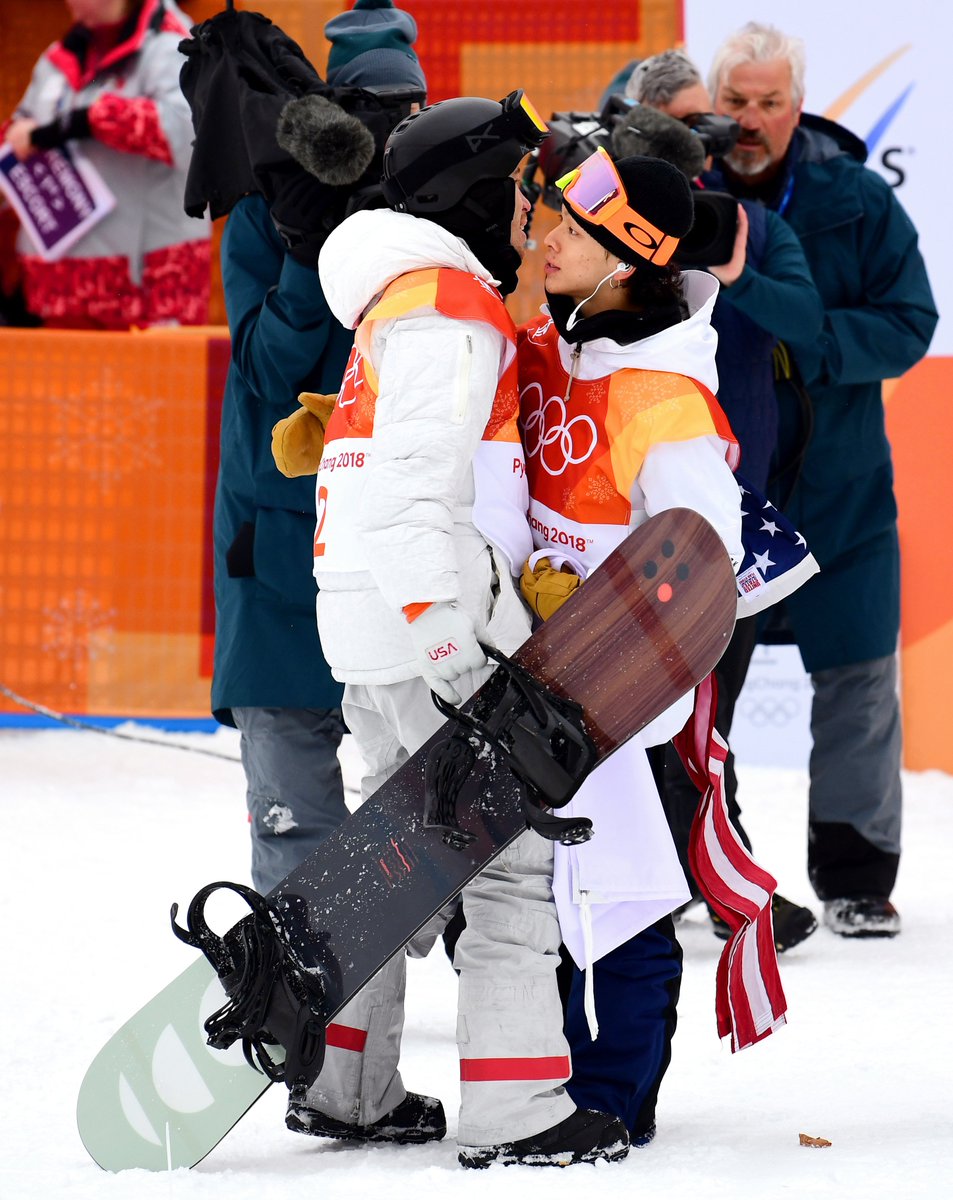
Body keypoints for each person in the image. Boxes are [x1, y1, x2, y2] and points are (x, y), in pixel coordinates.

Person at [293, 92, 629, 1169]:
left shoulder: (401, 296)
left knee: (381, 862)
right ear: (470, 194)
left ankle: (346, 1091)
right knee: (503, 868)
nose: (529, 218)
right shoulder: (444, 307)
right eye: (517, 192)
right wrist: (454, 652)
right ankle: (517, 1109)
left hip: (367, 615)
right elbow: (408, 496)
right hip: (425, 623)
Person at [517, 149, 773, 1144]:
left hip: (620, 695)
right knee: (536, 897)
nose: (547, 239)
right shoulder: (560, 345)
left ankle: (615, 1097)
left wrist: (608, 646)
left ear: (629, 258)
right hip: (532, 681)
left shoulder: (662, 394)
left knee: (618, 890)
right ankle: (553, 1079)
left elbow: (697, 565)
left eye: (573, 232)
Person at [705, 22, 938, 936]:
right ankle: (707, 868)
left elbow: (910, 321)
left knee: (858, 683)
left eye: (767, 103)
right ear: (714, 105)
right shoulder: (680, 195)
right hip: (722, 490)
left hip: (843, 491)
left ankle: (854, 877)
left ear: (796, 106)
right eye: (735, 102)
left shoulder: (855, 198)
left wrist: (815, 349)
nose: (750, 120)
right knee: (700, 694)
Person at [210, 0, 427, 895]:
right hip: (282, 558)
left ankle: (389, 990)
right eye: (368, 110)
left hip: (409, 560)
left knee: (424, 829)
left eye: (402, 110)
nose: (383, 132)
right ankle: (306, 1017)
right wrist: (308, 249)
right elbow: (266, 372)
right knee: (296, 835)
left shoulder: (449, 213)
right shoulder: (267, 217)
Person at [623, 47, 824, 951]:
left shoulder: (743, 226)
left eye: (717, 121)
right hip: (616, 510)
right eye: (691, 124)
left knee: (710, 718)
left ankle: (713, 879)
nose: (717, 137)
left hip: (728, 508)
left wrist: (736, 274)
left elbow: (809, 326)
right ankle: (708, 881)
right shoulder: (599, 213)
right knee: (641, 721)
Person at [2, 0, 209, 328]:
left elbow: (190, 134)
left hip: (146, 294)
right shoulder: (59, 57)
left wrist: (89, 120)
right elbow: (19, 135)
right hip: (60, 295)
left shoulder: (176, 44)